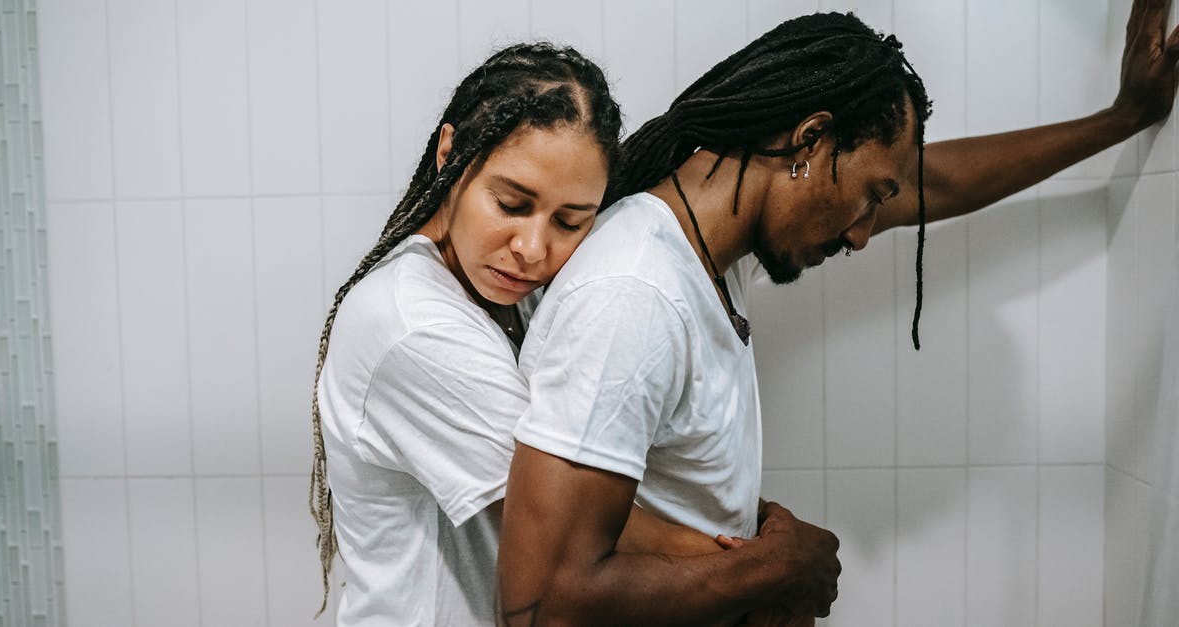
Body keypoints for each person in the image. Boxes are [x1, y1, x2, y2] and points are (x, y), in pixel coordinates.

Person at [499, 3, 1179, 626]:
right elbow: (545, 603)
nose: (862, 234)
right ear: (809, 142)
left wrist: (1124, 118)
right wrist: (777, 565)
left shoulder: (705, 253)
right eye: (869, 197)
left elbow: (930, 182)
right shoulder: (634, 295)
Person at [308, 42, 809, 626]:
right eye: (510, 203)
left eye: (571, 221)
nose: (533, 249)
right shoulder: (409, 325)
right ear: (450, 156)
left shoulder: (515, 289)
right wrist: (775, 567)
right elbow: (563, 520)